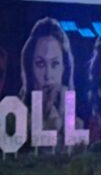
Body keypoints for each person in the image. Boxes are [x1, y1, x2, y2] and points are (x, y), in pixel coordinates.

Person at [19, 17, 76, 145]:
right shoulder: (14, 123)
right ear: (29, 68)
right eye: (40, 64)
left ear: (64, 68)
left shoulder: (80, 126)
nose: (48, 75)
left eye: (55, 64)